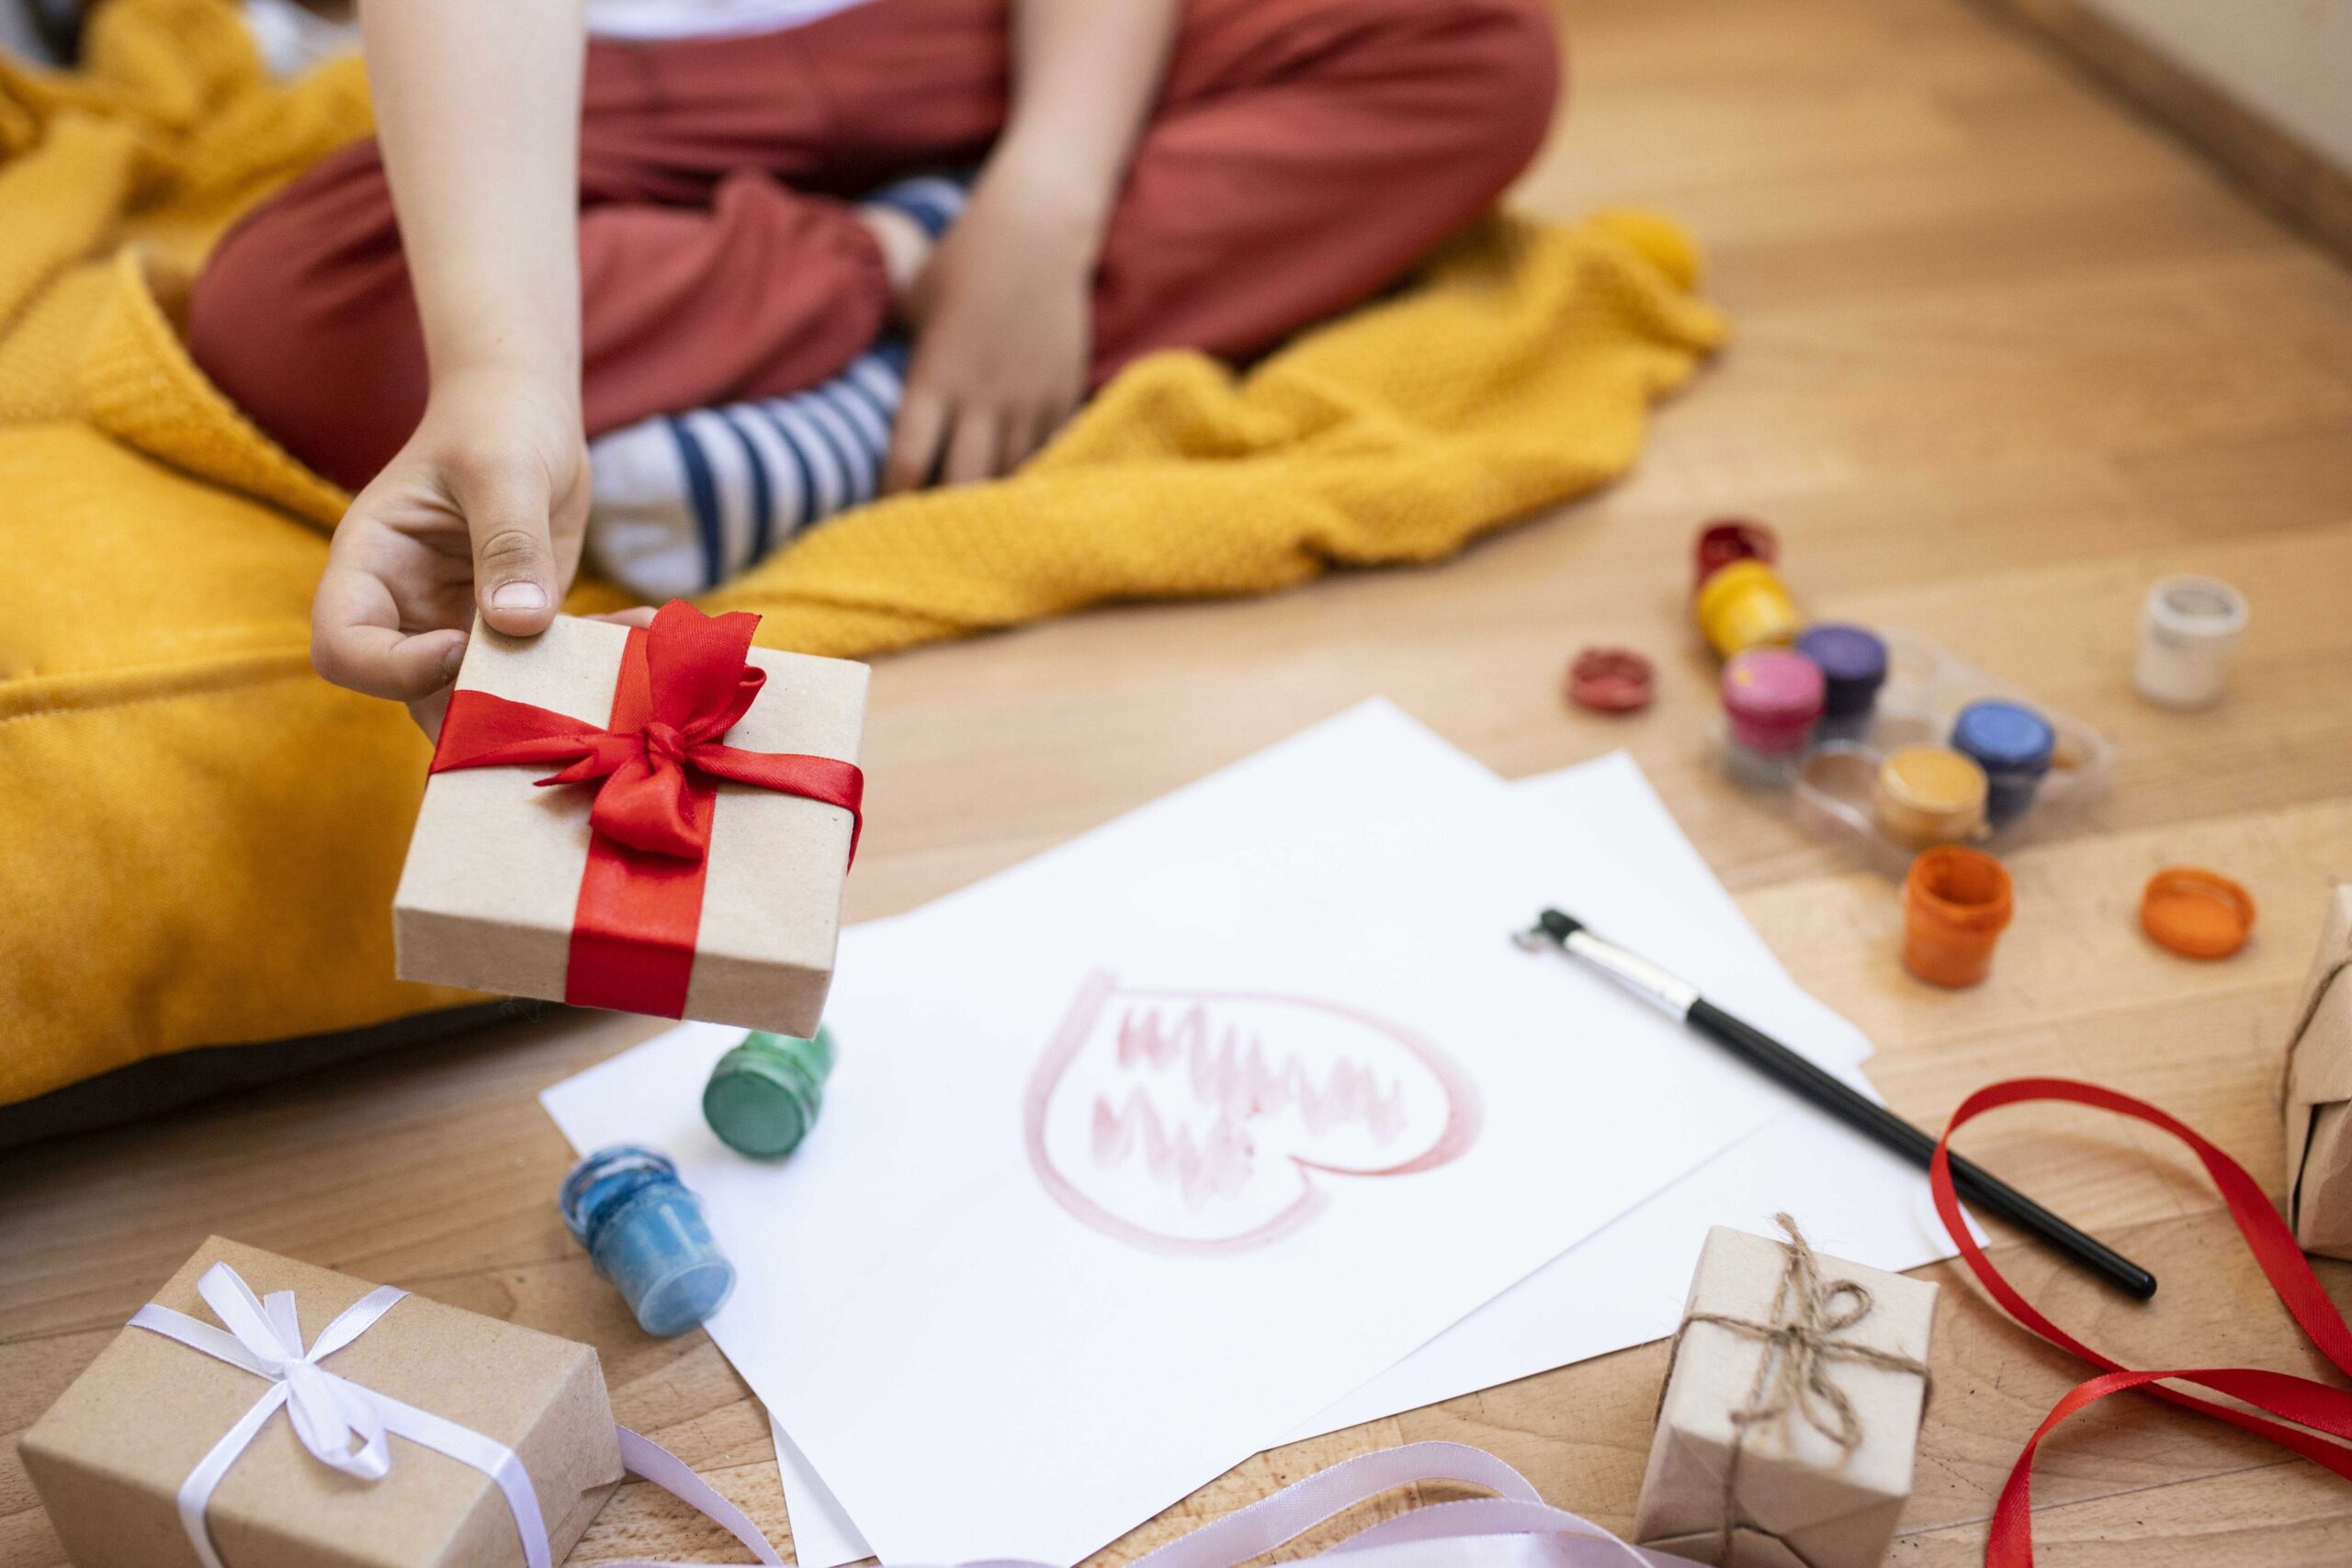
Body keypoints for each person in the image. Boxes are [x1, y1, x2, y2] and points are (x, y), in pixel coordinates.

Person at [186, 0, 1559, 707]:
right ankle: (919, 281)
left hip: (973, 42)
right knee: (289, 309)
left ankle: (878, 393)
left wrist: (1055, 188)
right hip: (605, 80)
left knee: (1475, 45)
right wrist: (505, 371)